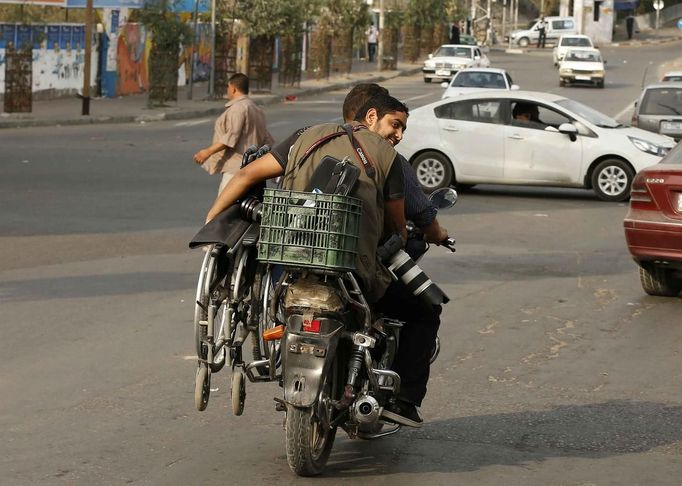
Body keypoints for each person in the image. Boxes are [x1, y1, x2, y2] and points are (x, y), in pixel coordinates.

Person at [205, 93, 409, 304]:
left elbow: (246, 175)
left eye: (402, 129)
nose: (399, 135)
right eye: (395, 125)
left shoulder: (308, 135)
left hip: (289, 252)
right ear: (372, 116)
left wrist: (212, 215)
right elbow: (396, 225)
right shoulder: (389, 157)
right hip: (353, 265)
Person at [193, 73, 274, 193]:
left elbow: (231, 137)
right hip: (253, 169)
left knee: (222, 209)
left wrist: (207, 152)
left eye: (228, 87)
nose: (227, 90)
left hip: (236, 170)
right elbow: (267, 140)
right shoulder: (257, 109)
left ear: (233, 89)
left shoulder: (238, 109)